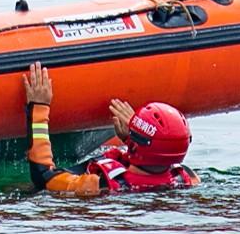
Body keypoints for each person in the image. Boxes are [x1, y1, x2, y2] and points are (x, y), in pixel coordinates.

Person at [18, 63, 198, 197]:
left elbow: (44, 177)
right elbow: (153, 163)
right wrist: (132, 140)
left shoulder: (98, 184)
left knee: (17, 189)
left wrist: (39, 107)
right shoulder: (188, 178)